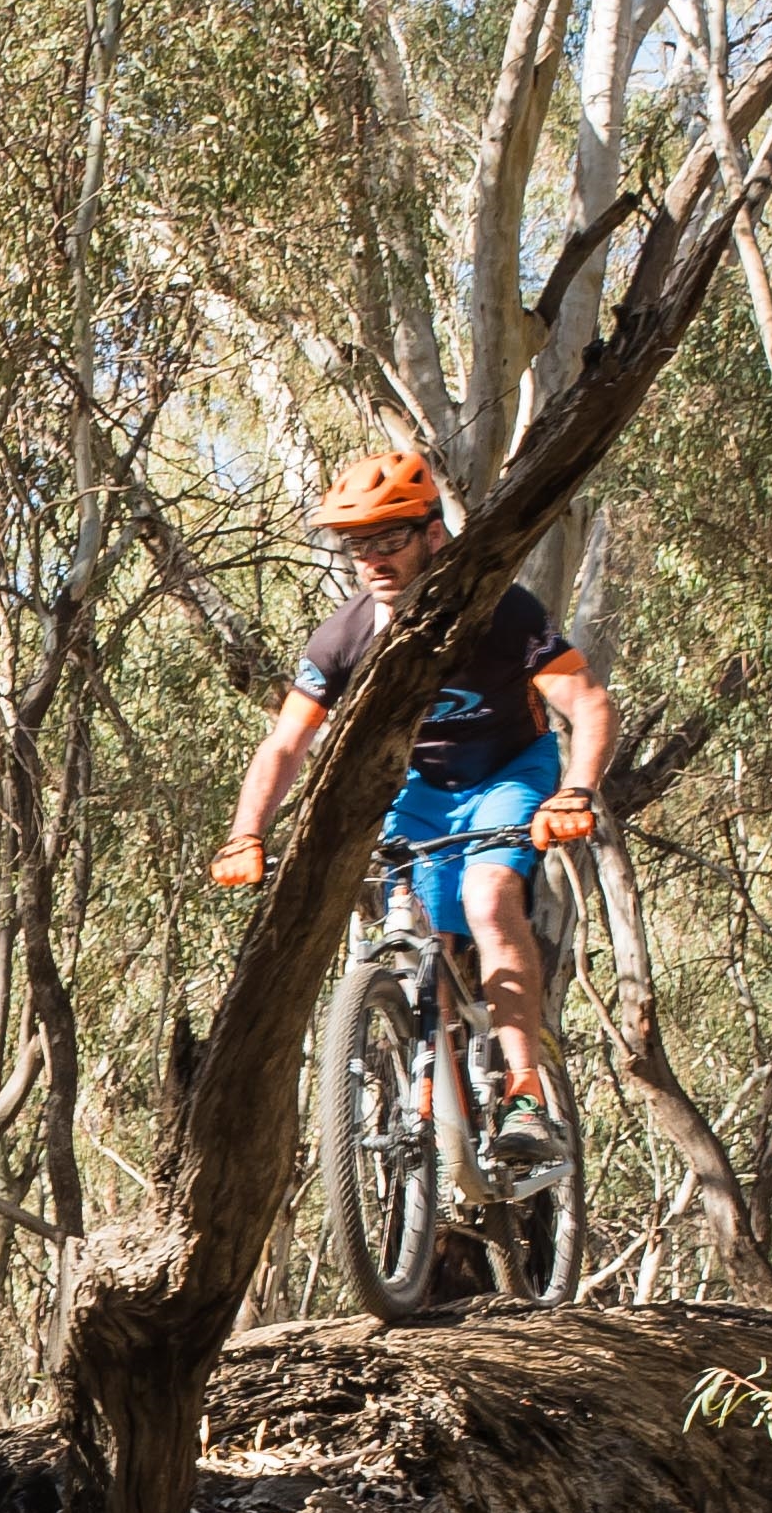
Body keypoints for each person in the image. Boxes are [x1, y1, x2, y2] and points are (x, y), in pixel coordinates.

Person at [212, 444, 614, 1162]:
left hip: (507, 773)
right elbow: (285, 745)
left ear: (433, 533)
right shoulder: (343, 639)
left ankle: (525, 1096)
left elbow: (586, 702)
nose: (371, 559)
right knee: (410, 935)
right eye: (355, 544)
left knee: (491, 904)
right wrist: (247, 833)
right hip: (411, 791)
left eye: (389, 538)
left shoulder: (502, 613)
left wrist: (577, 791)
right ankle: (425, 1093)